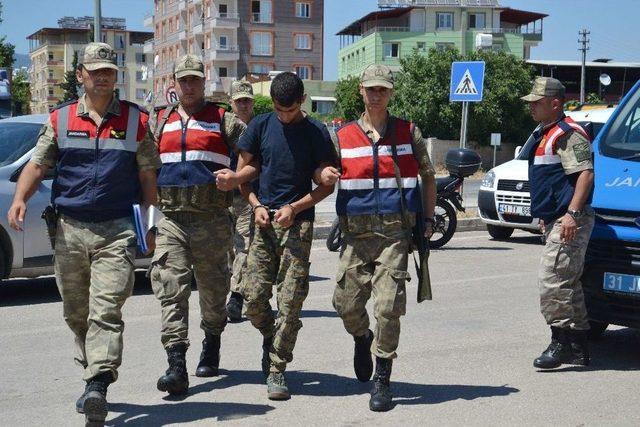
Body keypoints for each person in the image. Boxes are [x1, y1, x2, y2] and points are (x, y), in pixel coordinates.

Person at [6, 42, 159, 425]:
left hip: (117, 230)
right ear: (81, 76)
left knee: (106, 310)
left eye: (109, 70)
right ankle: (93, 372)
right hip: (69, 230)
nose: (104, 76)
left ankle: (98, 384)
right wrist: (20, 198)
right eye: (96, 70)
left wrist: (150, 222)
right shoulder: (59, 120)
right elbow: (38, 164)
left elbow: (147, 177)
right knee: (77, 313)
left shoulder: (136, 121)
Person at [320, 64, 436, 412]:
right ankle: (361, 337)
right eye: (370, 88)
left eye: (382, 89)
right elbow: (323, 174)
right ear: (361, 91)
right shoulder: (341, 136)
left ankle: (382, 379)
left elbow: (428, 176)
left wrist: (428, 219)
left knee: (388, 308)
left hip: (395, 236)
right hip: (356, 236)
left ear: (390, 93)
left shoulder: (408, 132)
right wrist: (323, 173)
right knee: (345, 305)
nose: (376, 94)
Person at [149, 54, 248, 395]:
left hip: (212, 221)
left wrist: (237, 177)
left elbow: (254, 156)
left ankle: (213, 339)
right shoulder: (159, 121)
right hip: (172, 220)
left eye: (194, 80)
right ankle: (176, 363)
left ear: (204, 82)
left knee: (212, 292)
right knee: (171, 289)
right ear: (173, 84)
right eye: (183, 80)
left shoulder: (224, 119)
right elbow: (145, 168)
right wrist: (147, 220)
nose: (189, 86)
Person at [234, 72, 336, 400]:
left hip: (298, 223)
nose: (284, 116)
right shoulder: (260, 126)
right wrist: (255, 205)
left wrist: (295, 206)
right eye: (279, 109)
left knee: (290, 302)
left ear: (301, 101)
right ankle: (272, 336)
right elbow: (244, 175)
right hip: (264, 223)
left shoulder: (317, 132)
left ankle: (277, 367)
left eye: (289, 110)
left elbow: (324, 183)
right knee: (252, 301)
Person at [521, 77, 595, 370]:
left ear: (555, 103)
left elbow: (585, 175)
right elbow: (551, 181)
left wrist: (571, 214)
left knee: (553, 280)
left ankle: (560, 343)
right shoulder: (545, 132)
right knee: (568, 283)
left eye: (537, 102)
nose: (531, 107)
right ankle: (578, 346)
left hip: (569, 221)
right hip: (557, 219)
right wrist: (546, 216)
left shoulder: (568, 133)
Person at [226, 80, 256, 322]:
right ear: (231, 103)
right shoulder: (223, 127)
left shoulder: (259, 127)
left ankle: (236, 296)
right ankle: (234, 291)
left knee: (243, 245)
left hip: (247, 197)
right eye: (239, 101)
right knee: (228, 249)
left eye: (247, 100)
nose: (243, 105)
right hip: (223, 198)